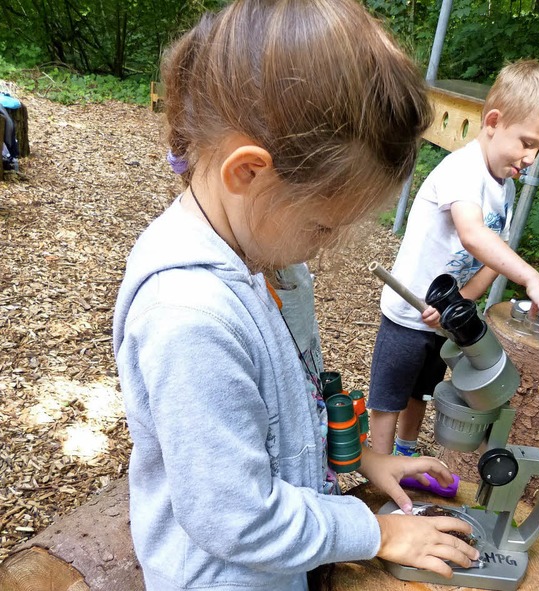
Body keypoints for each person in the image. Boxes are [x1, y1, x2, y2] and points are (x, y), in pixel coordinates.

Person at [112, 2, 480, 590]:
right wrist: (376, 531)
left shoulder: (270, 263)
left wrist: (363, 458)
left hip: (286, 562)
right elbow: (237, 517)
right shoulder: (189, 320)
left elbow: (293, 412)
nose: (322, 250)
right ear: (248, 173)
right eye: (321, 226)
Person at [368, 59, 539, 457]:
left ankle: (406, 454)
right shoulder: (463, 169)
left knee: (421, 394)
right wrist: (532, 278)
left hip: (443, 319)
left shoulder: (506, 189)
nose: (531, 159)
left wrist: (460, 303)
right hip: (407, 313)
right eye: (527, 143)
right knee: (390, 396)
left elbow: (489, 261)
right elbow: (474, 235)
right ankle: (380, 467)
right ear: (493, 121)